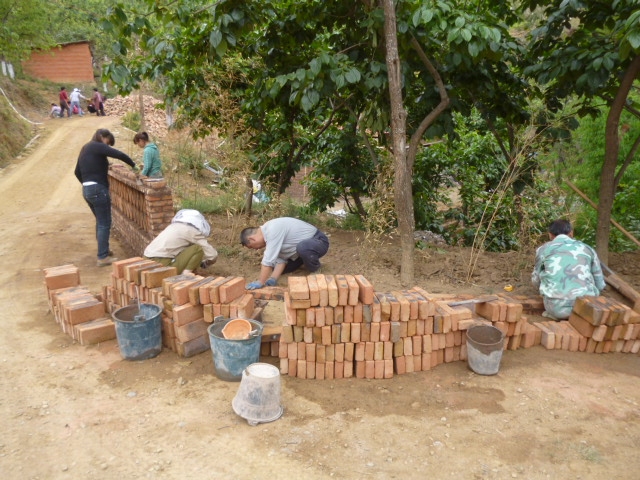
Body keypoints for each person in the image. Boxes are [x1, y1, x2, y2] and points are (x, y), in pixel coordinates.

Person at [74, 128, 138, 266]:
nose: (107, 146)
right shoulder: (97, 145)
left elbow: (77, 172)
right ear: (102, 136)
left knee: (100, 220)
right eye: (107, 143)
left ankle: (104, 250)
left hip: (87, 190)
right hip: (98, 189)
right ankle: (102, 257)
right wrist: (133, 165)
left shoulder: (85, 148)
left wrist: (88, 184)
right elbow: (119, 154)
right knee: (104, 223)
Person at [532, 219, 606, 320]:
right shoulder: (587, 249)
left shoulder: (543, 250)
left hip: (557, 309)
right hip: (586, 307)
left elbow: (535, 281)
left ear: (550, 235)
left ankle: (554, 315)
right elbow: (600, 285)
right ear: (571, 233)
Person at [240, 217, 329, 289]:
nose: (256, 249)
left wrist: (260, 282)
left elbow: (267, 261)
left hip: (318, 241)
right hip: (301, 249)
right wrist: (273, 279)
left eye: (252, 247)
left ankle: (316, 269)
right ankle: (305, 260)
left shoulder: (272, 230)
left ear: (252, 239)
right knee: (277, 267)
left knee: (303, 247)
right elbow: (281, 259)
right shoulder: (269, 236)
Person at [144, 209, 217, 275]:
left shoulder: (173, 226)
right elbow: (213, 255)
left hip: (145, 261)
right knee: (197, 249)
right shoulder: (192, 231)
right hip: (161, 263)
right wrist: (205, 264)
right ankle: (186, 275)